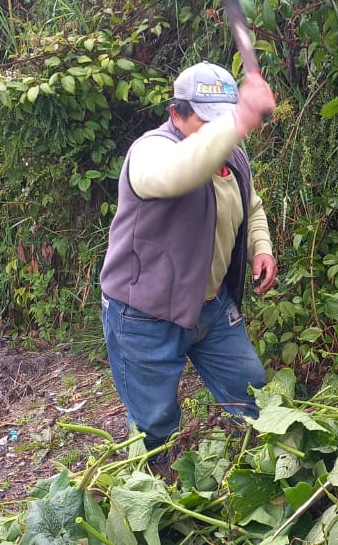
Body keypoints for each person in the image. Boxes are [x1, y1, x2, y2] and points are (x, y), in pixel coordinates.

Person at [100, 60, 277, 459]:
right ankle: (157, 484)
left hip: (211, 307)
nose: (218, 131)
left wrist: (261, 247)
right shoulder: (151, 153)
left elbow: (251, 205)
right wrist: (237, 121)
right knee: (156, 424)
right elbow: (179, 173)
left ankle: (253, 468)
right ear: (176, 114)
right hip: (144, 317)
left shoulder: (232, 157)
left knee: (251, 392)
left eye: (224, 120)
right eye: (208, 121)